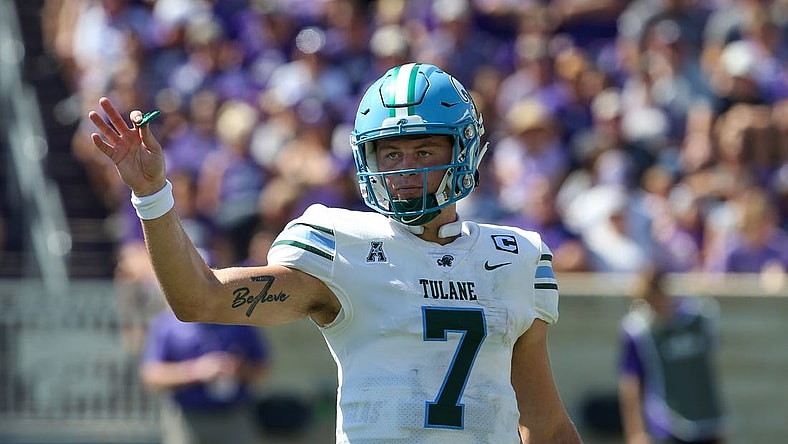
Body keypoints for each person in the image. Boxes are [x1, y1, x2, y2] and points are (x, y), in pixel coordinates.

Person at [89, 62, 582, 443]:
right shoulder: (339, 244)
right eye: (390, 153)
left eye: (424, 150)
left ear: (465, 151)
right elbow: (199, 299)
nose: (404, 169)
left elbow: (546, 425)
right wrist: (153, 195)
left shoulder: (514, 256)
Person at [618, 268, 727, 444]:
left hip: (705, 420)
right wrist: (635, 432)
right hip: (667, 424)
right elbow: (631, 383)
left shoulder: (699, 318)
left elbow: (706, 372)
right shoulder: (638, 330)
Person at [140, 307, 270, 444]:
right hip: (188, 418)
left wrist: (236, 369)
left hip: (233, 416)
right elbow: (151, 375)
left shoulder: (239, 322)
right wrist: (195, 372)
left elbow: (262, 369)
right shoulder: (168, 324)